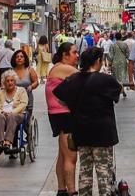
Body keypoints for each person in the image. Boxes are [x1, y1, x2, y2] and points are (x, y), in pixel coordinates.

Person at [53, 47, 122, 196]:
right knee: (104, 171)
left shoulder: (74, 79)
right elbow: (118, 91)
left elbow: (58, 95)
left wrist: (72, 106)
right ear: (98, 61)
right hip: (103, 133)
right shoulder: (105, 79)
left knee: (84, 171)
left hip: (81, 132)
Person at [47, 42, 79, 196]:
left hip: (56, 114)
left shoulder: (56, 68)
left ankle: (61, 189)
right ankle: (72, 191)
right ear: (65, 55)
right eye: (74, 52)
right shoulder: (64, 68)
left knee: (63, 154)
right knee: (71, 156)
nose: (77, 55)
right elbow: (85, 78)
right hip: (64, 114)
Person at [0, 71, 29, 149]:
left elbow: (23, 104)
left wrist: (12, 112)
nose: (10, 83)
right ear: (4, 83)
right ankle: (0, 142)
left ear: (15, 81)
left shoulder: (21, 91)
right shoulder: (0, 93)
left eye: (12, 80)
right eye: (7, 81)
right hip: (3, 115)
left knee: (12, 116)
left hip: (18, 115)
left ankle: (8, 141)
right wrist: (1, 112)